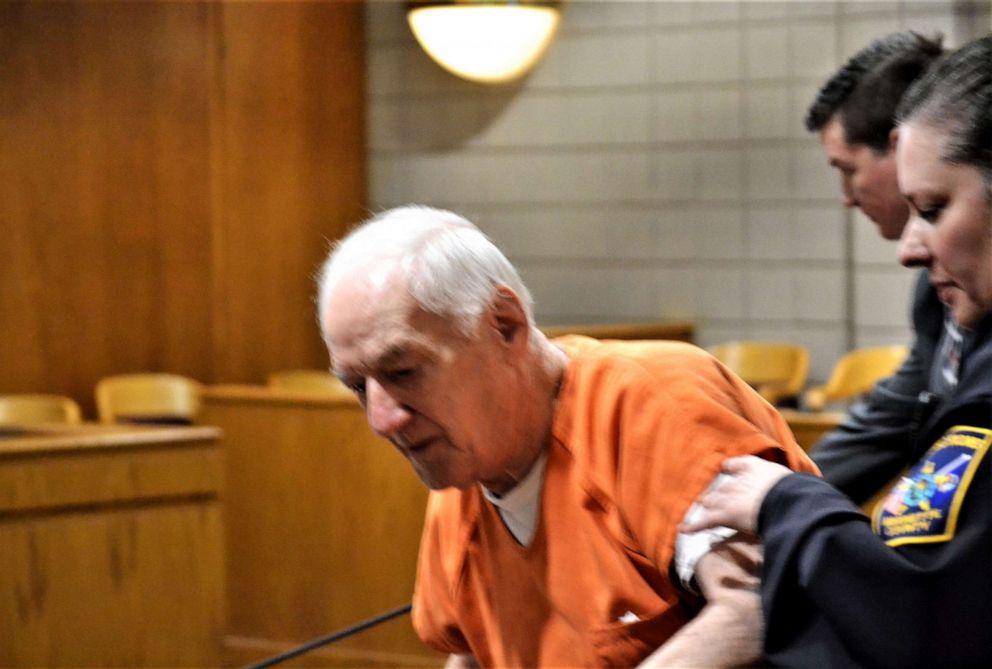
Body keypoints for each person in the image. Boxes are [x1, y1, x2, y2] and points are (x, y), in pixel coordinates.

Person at [316, 205, 817, 668]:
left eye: (404, 372)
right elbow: (474, 654)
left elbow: (757, 605)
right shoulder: (464, 471)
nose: (382, 421)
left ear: (505, 325)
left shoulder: (650, 400)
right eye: (359, 387)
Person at [683, 35, 992, 667]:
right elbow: (897, 417)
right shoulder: (946, 293)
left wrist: (785, 503)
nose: (911, 246)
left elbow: (925, 613)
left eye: (931, 207)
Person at [800, 31, 989, 506]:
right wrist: (784, 497)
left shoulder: (977, 280)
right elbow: (896, 416)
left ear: (899, 143)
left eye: (847, 168)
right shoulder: (939, 290)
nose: (846, 197)